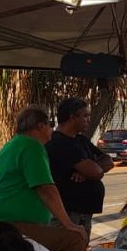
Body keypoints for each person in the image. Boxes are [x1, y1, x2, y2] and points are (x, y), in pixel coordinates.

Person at [0, 106, 87, 251]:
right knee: (74, 240)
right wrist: (68, 224)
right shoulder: (32, 146)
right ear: (40, 126)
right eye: (50, 124)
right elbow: (46, 189)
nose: (52, 129)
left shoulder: (12, 145)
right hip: (12, 224)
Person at [46, 98, 114, 238]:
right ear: (72, 117)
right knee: (68, 250)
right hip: (68, 215)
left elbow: (108, 161)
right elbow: (96, 172)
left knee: (80, 249)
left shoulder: (81, 140)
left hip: (83, 215)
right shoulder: (59, 142)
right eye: (85, 115)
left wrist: (86, 172)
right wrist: (91, 170)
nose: (89, 119)